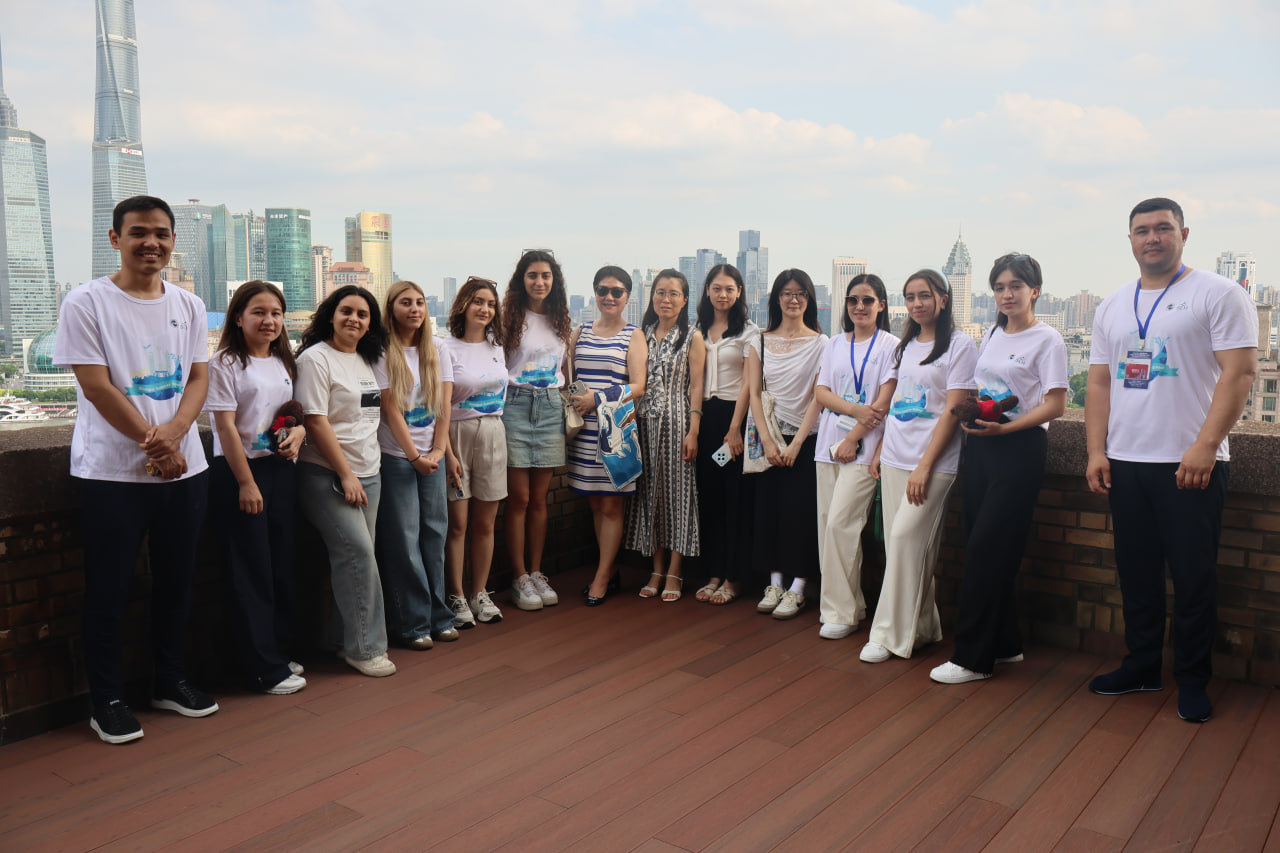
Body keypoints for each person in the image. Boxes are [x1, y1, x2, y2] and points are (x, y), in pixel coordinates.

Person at [54, 195, 218, 744]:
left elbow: (198, 378)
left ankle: (169, 680)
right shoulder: (86, 302)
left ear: (173, 240)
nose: (152, 242)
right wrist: (159, 446)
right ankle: (107, 699)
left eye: (161, 233)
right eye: (139, 232)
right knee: (108, 588)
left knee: (176, 581)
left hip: (186, 471)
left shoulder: (189, 304)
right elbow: (96, 386)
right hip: (112, 475)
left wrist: (177, 434)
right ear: (115, 238)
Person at [1085, 198, 1257, 723]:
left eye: (1163, 228)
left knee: (1193, 578)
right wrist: (1095, 450)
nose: (1152, 238)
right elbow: (1099, 382)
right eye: (1142, 230)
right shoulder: (1113, 305)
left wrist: (1205, 446)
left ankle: (1193, 679)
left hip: (1190, 463)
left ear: (1183, 234)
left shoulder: (1218, 293)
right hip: (1125, 461)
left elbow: (1240, 373)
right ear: (1130, 240)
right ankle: (1141, 666)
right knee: (1136, 574)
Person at [929, 254, 1067, 684]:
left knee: (987, 551)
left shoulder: (1048, 340)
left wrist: (1006, 429)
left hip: (1018, 448)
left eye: (1016, 286)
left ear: (1035, 291)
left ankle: (973, 659)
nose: (1007, 295)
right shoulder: (991, 333)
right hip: (982, 446)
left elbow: (1055, 404)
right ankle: (1005, 644)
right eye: (1000, 287)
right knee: (981, 543)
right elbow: (981, 387)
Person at [860, 270, 977, 664]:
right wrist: (880, 450)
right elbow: (893, 402)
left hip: (933, 463)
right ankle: (923, 627)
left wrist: (925, 466)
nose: (916, 304)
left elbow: (953, 409)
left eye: (924, 295)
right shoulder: (905, 345)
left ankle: (887, 634)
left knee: (904, 539)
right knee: (903, 549)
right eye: (910, 297)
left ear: (943, 298)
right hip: (895, 457)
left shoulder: (961, 346)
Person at [206, 281, 306, 695]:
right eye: (259, 312)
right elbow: (225, 426)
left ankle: (278, 652)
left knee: (281, 564)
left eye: (276, 313)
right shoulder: (225, 363)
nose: (269, 321)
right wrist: (245, 482)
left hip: (279, 469)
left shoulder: (283, 360)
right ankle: (262, 667)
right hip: (240, 472)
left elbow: (291, 413)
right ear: (238, 318)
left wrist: (299, 432)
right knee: (251, 570)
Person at [296, 285, 395, 678]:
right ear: (331, 316)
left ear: (370, 323)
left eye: (362, 314)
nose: (354, 318)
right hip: (328, 475)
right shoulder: (315, 359)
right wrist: (346, 474)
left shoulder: (368, 360)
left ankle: (342, 638)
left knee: (354, 562)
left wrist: (363, 472)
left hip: (370, 473)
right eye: (346, 311)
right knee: (358, 555)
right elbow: (315, 421)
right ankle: (367, 648)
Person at [374, 280, 459, 650]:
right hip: (397, 458)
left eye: (420, 302)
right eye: (405, 302)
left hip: (432, 458)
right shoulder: (381, 350)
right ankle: (412, 623)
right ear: (391, 308)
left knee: (435, 536)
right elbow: (389, 409)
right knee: (404, 541)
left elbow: (444, 404)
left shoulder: (438, 348)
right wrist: (414, 456)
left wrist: (438, 451)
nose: (414, 309)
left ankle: (440, 617)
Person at [813, 274, 898, 639]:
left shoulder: (892, 346)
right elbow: (820, 392)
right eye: (853, 300)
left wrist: (854, 437)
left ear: (881, 305)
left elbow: (884, 402)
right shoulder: (835, 343)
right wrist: (853, 410)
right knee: (827, 528)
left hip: (863, 449)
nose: (859, 307)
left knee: (841, 526)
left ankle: (841, 613)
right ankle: (852, 604)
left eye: (867, 300)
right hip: (828, 445)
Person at [748, 270, 828, 620]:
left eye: (801, 293)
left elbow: (818, 397)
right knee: (769, 512)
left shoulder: (822, 343)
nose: (793, 299)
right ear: (776, 299)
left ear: (809, 299)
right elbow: (753, 393)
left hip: (806, 440)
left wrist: (796, 444)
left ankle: (799, 587)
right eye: (786, 293)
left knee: (801, 514)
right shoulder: (760, 341)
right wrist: (767, 441)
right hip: (768, 439)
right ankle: (775, 583)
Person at [568, 266, 648, 605]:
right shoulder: (580, 331)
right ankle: (609, 569)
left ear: (628, 296)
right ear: (595, 293)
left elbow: (639, 385)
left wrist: (597, 399)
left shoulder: (634, 335)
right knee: (595, 503)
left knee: (612, 505)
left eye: (617, 291)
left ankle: (601, 576)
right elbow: (569, 375)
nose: (609, 297)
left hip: (615, 430)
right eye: (603, 290)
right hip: (583, 429)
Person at [625, 269, 705, 602]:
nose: (666, 299)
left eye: (673, 293)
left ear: (685, 300)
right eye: (660, 292)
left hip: (677, 423)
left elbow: (697, 386)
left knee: (678, 497)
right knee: (649, 497)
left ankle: (675, 570)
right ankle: (656, 569)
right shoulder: (640, 334)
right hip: (643, 425)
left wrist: (694, 430)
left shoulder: (693, 337)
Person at [501, 250, 572, 612]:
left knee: (540, 500)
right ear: (522, 279)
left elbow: (565, 369)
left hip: (550, 405)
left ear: (554, 281)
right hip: (515, 405)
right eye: (533, 275)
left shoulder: (562, 320)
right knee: (520, 499)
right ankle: (519, 576)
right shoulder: (508, 318)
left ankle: (536, 571)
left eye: (546, 275)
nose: (540, 282)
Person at [440, 277, 509, 627]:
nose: (485, 309)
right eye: (478, 301)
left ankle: (479, 592)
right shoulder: (445, 347)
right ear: (464, 305)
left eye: (491, 304)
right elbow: (440, 406)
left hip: (494, 431)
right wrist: (447, 453)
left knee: (485, 523)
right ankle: (456, 595)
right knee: (458, 524)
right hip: (457, 435)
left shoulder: (498, 347)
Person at [693, 264, 758, 605]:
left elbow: (750, 384)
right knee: (711, 499)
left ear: (739, 292)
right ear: (707, 291)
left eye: (729, 289)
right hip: (705, 419)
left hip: (734, 420)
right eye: (717, 288)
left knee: (736, 500)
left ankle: (734, 577)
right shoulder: (697, 330)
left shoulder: (750, 332)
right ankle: (714, 573)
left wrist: (735, 429)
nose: (723, 294)